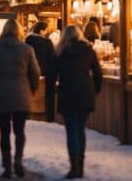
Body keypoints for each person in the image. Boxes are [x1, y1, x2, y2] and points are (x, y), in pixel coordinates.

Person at [0, 19, 41, 179]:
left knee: (4, 132)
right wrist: (33, 88)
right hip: (21, 94)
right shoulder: (27, 49)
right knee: (19, 131)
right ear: (19, 31)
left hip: (1, 95)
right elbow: (35, 72)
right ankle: (18, 160)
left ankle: (7, 166)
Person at [53, 25, 102, 179]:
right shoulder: (88, 50)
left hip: (67, 93)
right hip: (85, 94)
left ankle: (74, 166)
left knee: (72, 131)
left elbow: (52, 73)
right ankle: (80, 165)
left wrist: (55, 89)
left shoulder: (61, 52)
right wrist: (95, 90)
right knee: (80, 130)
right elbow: (98, 73)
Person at [25, 21, 57, 122]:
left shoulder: (28, 40)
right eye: (46, 29)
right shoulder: (47, 42)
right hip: (45, 72)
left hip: (31, 72)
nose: (47, 32)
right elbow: (52, 59)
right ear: (42, 30)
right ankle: (48, 115)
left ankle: (30, 112)